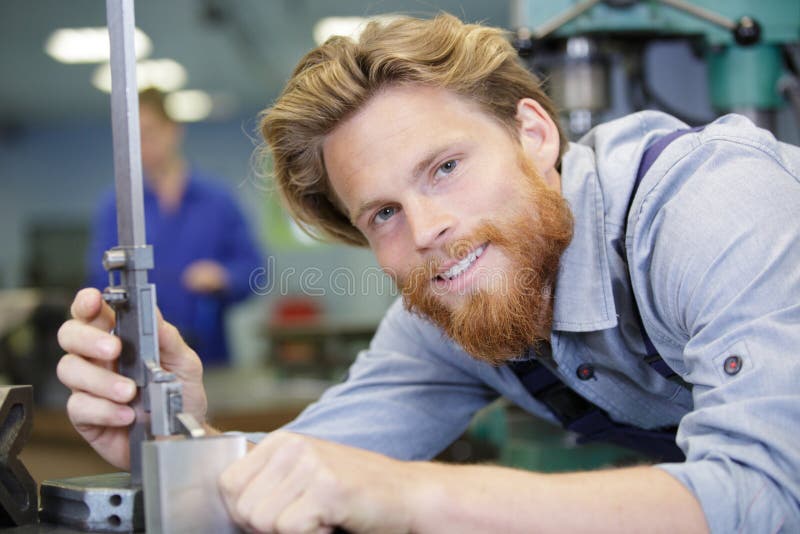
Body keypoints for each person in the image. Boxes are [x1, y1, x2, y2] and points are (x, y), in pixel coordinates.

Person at [59, 14, 799, 533]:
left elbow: (768, 497)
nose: (427, 231)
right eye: (382, 213)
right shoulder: (450, 312)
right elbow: (306, 471)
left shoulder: (706, 206)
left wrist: (413, 497)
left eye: (445, 168)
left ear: (534, 134)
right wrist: (178, 445)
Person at [87, 88, 265, 367]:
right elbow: (100, 279)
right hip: (141, 357)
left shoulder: (218, 200)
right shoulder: (117, 206)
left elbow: (255, 270)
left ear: (174, 130)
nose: (142, 144)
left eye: (149, 132)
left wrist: (224, 277)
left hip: (209, 355)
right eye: (132, 137)